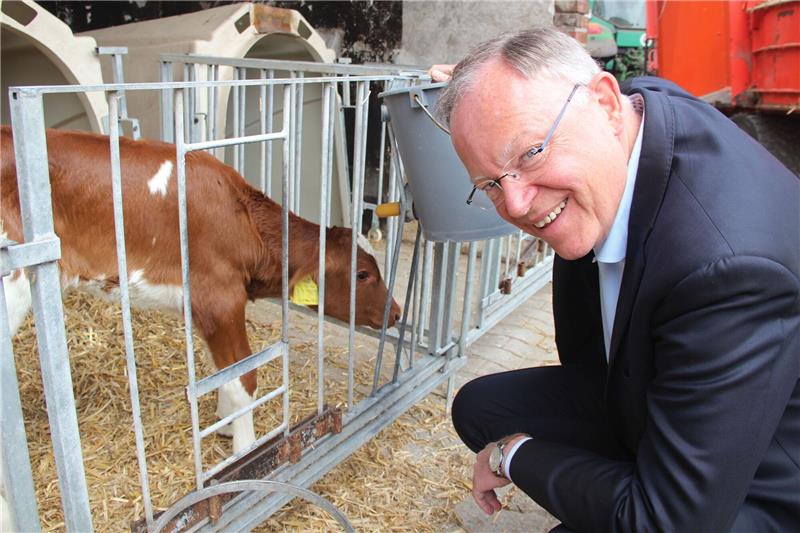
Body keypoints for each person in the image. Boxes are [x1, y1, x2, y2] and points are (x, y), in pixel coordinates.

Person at [432, 27, 800, 532]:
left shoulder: (726, 272)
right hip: (651, 395)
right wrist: (483, 97)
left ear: (605, 105)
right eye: (490, 184)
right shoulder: (633, 110)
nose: (515, 204)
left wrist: (513, 456)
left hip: (762, 484)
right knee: (479, 408)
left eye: (530, 154)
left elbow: (669, 523)